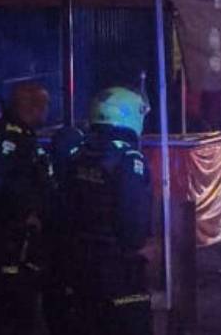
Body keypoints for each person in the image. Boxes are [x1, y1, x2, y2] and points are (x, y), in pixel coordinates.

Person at [53, 87, 153, 335]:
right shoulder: (128, 159)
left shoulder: (79, 153)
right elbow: (133, 225)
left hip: (78, 260)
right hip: (116, 267)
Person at [0, 82, 54, 335]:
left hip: (20, 242)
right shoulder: (10, 138)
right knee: (13, 310)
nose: (47, 111)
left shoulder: (23, 136)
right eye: (43, 105)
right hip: (10, 242)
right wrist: (24, 216)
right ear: (30, 106)